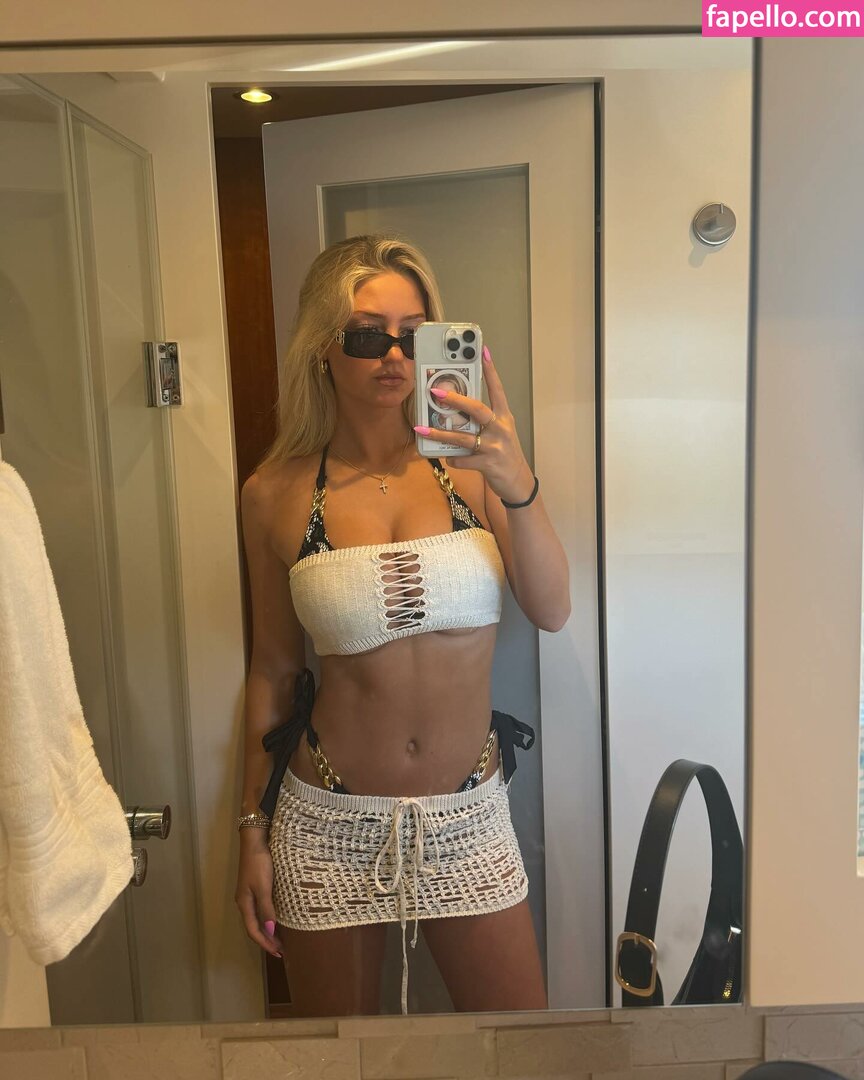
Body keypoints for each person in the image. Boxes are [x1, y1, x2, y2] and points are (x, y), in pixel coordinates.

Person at [235, 234, 570, 1018]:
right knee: (340, 1064)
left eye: (414, 336)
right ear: (323, 349)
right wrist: (251, 832)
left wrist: (516, 479)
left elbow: (552, 609)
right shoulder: (274, 493)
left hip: (468, 816)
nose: (393, 355)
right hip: (327, 820)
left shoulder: (474, 469)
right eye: (366, 336)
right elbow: (273, 671)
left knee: (519, 1052)